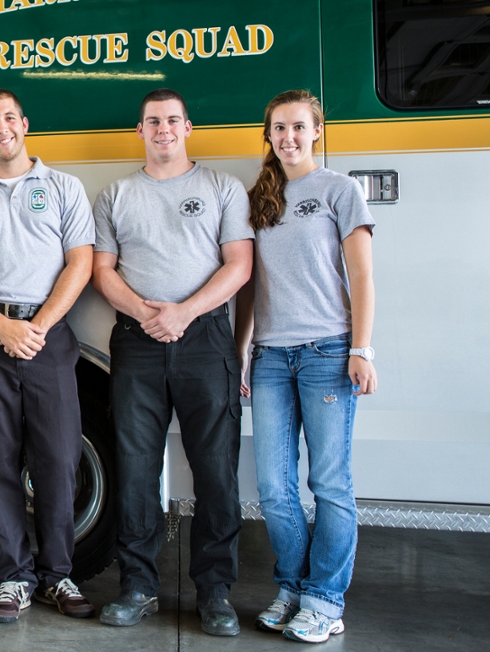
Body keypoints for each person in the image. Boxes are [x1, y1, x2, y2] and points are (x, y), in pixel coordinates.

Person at [91, 89, 254, 636]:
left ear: (189, 128)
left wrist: (183, 312)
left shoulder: (221, 188)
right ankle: (138, 587)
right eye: (152, 121)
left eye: (172, 121)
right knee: (136, 469)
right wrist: (145, 312)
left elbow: (239, 266)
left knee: (216, 471)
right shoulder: (116, 194)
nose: (163, 129)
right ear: (139, 131)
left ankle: (215, 592)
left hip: (205, 339)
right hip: (136, 342)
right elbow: (103, 270)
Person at [0, 89, 96, 624]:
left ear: (24, 124)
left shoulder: (63, 188)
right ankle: (13, 577)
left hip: (48, 333)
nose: (1, 127)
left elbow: (80, 263)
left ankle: (58, 576)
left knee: (58, 457)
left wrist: (37, 327)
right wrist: (4, 326)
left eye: (9, 117)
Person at [234, 89, 377, 644]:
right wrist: (242, 349)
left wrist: (362, 349)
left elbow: (362, 276)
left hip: (328, 355)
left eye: (298, 127)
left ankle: (325, 598)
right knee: (273, 487)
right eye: (278, 128)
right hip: (270, 359)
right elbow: (248, 287)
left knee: (330, 484)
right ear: (268, 135)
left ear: (317, 131)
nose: (288, 137)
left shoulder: (340, 190)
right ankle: (292, 586)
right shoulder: (258, 198)